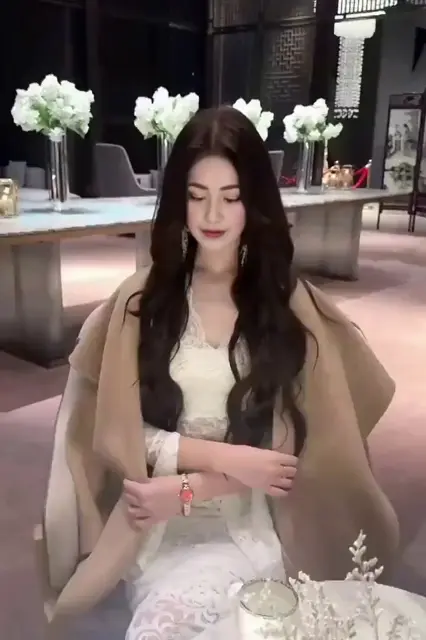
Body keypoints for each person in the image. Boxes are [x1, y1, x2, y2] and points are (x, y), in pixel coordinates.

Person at [41, 106, 399, 639]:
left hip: (249, 524)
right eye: (197, 195)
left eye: (231, 197)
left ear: (253, 201)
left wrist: (188, 488)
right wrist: (221, 461)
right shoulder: (141, 301)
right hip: (153, 527)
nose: (212, 214)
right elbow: (116, 433)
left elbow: (288, 457)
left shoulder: (287, 305)